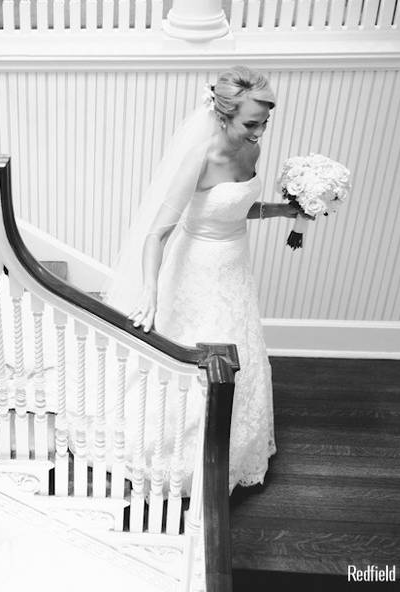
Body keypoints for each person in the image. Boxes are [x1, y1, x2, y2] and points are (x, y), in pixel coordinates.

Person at [105, 66, 305, 492]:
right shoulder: (201, 158)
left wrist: (283, 212)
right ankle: (175, 460)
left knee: (241, 353)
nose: (260, 132)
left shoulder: (251, 149)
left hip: (235, 267)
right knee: (199, 364)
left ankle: (229, 454)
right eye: (252, 123)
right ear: (223, 116)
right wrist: (150, 290)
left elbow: (235, 209)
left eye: (265, 122)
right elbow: (157, 233)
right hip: (195, 268)